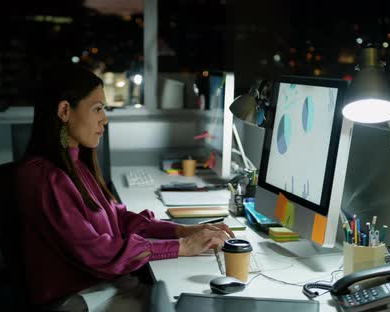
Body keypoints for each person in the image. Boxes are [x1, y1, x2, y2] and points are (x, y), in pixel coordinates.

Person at [16, 64, 233, 311]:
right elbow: (98, 252)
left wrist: (182, 231)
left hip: (104, 285)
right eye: (97, 108)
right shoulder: (44, 177)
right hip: (80, 298)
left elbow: (118, 219)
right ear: (65, 111)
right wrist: (183, 248)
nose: (104, 119)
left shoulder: (76, 163)